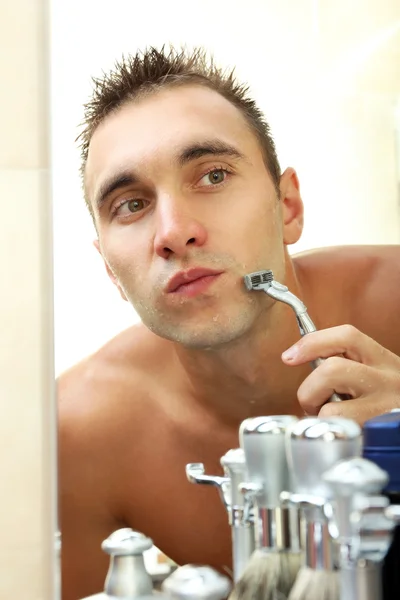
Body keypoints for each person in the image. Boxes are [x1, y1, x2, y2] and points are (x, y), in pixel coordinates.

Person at [58, 46, 400, 599]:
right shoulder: (78, 436)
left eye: (213, 175)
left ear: (287, 207)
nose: (174, 231)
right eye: (131, 203)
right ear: (110, 271)